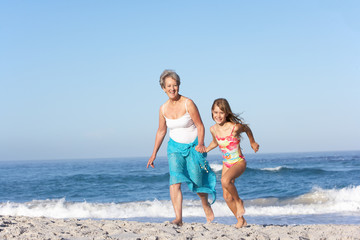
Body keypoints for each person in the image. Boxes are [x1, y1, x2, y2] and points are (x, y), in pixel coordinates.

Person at [147, 70, 216, 226]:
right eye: (169, 86)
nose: (172, 89)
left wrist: (201, 143)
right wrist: (153, 154)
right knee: (175, 181)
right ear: (163, 88)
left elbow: (200, 125)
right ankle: (178, 218)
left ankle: (205, 204)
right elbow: (161, 131)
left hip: (193, 147)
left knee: (198, 180)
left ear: (179, 86)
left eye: (175, 85)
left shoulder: (188, 103)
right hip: (174, 148)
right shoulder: (163, 109)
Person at [205, 98, 259, 228]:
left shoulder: (234, 128)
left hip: (239, 162)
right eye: (216, 112)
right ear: (212, 112)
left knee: (224, 180)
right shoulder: (213, 129)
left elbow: (247, 128)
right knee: (226, 196)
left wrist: (252, 142)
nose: (218, 115)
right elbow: (216, 142)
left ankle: (239, 201)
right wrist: (205, 149)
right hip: (226, 163)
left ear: (227, 113)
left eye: (221, 112)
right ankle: (241, 220)